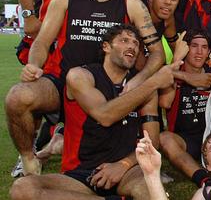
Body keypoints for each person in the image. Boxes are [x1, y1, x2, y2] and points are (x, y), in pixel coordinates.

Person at [6, 0, 165, 176]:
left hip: (107, 87)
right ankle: (29, 159)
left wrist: (138, 79)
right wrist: (34, 65)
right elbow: (42, 41)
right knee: (17, 97)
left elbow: (157, 52)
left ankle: (141, 162)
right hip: (61, 81)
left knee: (146, 97)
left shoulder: (132, 4)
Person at [9, 24, 178, 200]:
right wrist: (153, 82)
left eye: (136, 43)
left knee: (148, 190)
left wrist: (124, 164)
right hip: (81, 174)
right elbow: (105, 115)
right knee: (22, 189)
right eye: (124, 40)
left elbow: (153, 140)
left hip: (126, 172)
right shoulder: (80, 76)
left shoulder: (144, 87)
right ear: (106, 47)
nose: (132, 46)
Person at [159, 30, 211, 188]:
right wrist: (177, 60)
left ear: (209, 52)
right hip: (187, 139)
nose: (199, 52)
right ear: (185, 49)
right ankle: (204, 180)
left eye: (204, 47)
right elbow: (165, 103)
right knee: (165, 138)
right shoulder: (173, 72)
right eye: (194, 46)